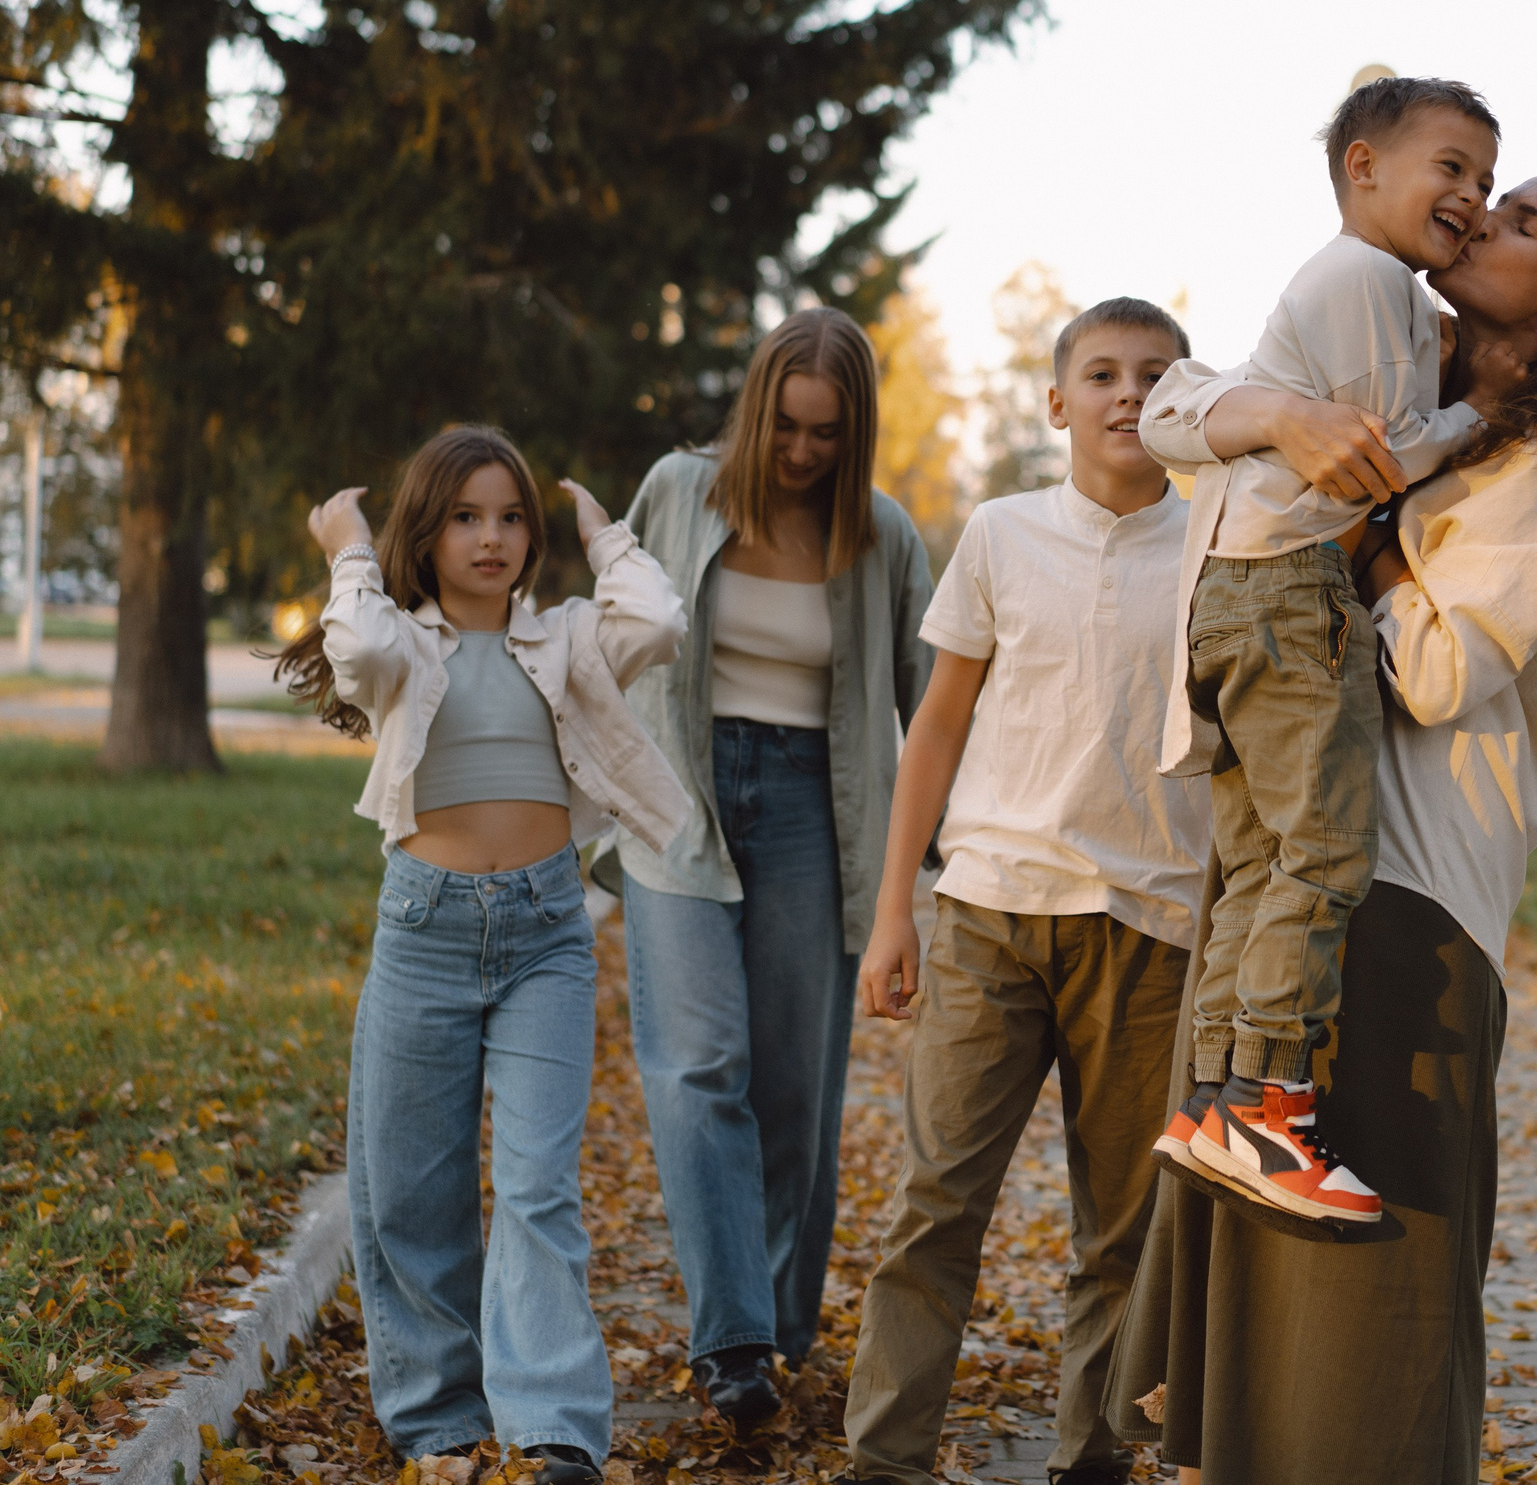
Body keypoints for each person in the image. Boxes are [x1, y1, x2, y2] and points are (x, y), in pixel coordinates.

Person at [1111, 169, 1537, 1483]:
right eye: (1484, 195)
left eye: (1522, 222)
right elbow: (1168, 405)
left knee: (1364, 1305)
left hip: (1409, 899)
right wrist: (1280, 415)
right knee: (1256, 1270)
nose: (1479, 216)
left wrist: (1364, 541)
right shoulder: (1379, 365)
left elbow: (1438, 674)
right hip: (1285, 875)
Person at [272, 425, 692, 1484]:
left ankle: (553, 1425)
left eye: (511, 517)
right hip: (426, 929)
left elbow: (662, 618)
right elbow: (356, 650)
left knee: (541, 1181)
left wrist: (610, 539)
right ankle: (436, 1417)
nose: (492, 537)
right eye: (466, 516)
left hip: (548, 934)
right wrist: (349, 547)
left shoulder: (567, 639)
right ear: (430, 530)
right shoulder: (405, 644)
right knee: (412, 1186)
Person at [836, 298, 1210, 1485]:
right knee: (934, 1207)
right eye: (1099, 373)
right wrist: (896, 906)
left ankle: (1092, 1456)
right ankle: (884, 1459)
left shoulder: (1217, 544)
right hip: (990, 913)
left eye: (1154, 375)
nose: (1125, 394)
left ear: (1183, 401)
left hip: (1151, 928)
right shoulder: (1000, 535)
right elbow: (934, 726)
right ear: (1057, 404)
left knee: (1124, 1228)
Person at [1146, 75, 1499, 1231]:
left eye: (1486, 181)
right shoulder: (1362, 275)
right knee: (1323, 853)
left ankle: (1213, 1101)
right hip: (1291, 593)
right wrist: (1487, 412)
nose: (1472, 198)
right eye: (1450, 167)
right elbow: (1380, 458)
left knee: (1257, 861)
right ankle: (1269, 1107)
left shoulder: (1371, 290)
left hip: (1238, 593)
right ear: (1363, 164)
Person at [607, 308, 936, 1427]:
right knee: (701, 1062)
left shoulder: (882, 536)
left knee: (793, 1087)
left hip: (815, 804)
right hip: (680, 797)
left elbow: (932, 704)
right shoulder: (676, 490)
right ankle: (734, 1340)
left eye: (827, 435)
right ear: (756, 411)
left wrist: (937, 873)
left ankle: (776, 1326)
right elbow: (616, 641)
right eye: (787, 427)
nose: (802, 453)